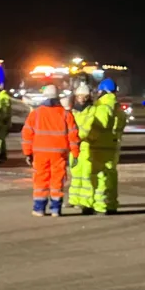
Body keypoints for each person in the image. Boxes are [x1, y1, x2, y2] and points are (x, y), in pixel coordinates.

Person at [21, 85, 81, 217]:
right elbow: (73, 135)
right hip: (59, 153)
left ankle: (39, 209)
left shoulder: (35, 114)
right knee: (57, 180)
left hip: (40, 153)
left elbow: (27, 134)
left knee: (40, 180)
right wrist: (75, 153)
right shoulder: (66, 114)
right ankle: (55, 209)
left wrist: (27, 153)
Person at [81, 78, 126, 215]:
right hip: (112, 147)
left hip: (99, 148)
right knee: (110, 177)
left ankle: (98, 206)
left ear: (103, 91)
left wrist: (85, 138)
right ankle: (111, 204)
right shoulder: (117, 108)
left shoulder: (103, 107)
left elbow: (98, 127)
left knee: (98, 177)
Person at [66, 84, 96, 213]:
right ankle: (74, 199)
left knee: (86, 176)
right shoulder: (72, 111)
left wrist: (75, 136)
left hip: (87, 147)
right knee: (76, 175)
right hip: (74, 147)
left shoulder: (92, 110)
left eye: (85, 96)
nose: (82, 99)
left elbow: (87, 129)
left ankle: (86, 202)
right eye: (79, 96)